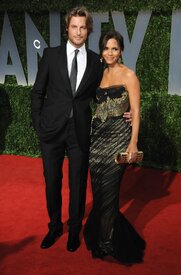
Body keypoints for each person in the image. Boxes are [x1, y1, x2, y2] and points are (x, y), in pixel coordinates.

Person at [31, 6, 103, 252]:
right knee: (52, 181)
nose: (79, 31)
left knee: (78, 182)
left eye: (83, 27)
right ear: (67, 28)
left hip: (79, 132)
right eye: (74, 26)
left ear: (88, 30)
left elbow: (98, 98)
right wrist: (38, 125)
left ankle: (74, 230)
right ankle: (54, 227)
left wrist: (122, 108)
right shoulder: (51, 55)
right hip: (51, 131)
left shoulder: (96, 61)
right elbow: (38, 92)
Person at [83, 30, 146, 264]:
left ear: (121, 51)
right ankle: (103, 231)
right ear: (101, 50)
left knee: (109, 191)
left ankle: (107, 243)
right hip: (97, 140)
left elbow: (137, 112)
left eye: (115, 48)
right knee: (98, 191)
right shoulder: (97, 74)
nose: (110, 52)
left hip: (119, 139)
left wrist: (133, 142)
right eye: (106, 48)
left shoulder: (129, 75)